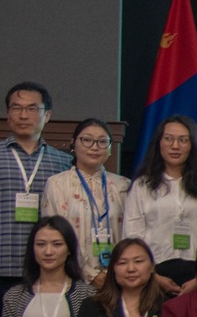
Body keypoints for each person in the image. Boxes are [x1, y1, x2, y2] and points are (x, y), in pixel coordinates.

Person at [0, 81, 72, 290]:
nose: (23, 115)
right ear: (8, 114)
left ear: (47, 115)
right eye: (16, 108)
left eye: (32, 109)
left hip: (47, 270)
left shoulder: (63, 162)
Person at [122, 114, 197, 296]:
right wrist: (153, 276)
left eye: (183, 140)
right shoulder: (142, 185)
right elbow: (132, 236)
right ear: (158, 143)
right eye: (169, 139)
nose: (175, 146)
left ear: (193, 145)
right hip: (152, 274)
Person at [41, 118, 131, 288]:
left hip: (118, 279)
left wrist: (115, 273)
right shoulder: (57, 184)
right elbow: (54, 236)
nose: (94, 147)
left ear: (110, 148)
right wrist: (89, 274)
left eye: (102, 141)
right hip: (71, 277)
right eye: (87, 140)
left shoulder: (123, 186)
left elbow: (131, 235)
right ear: (73, 144)